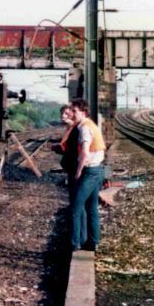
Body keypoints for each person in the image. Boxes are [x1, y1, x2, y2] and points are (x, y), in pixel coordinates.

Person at [70, 98, 106, 252]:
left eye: (74, 111)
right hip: (97, 170)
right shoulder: (91, 125)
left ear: (83, 112)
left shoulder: (84, 128)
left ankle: (75, 243)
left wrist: (78, 171)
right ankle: (94, 242)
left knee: (75, 208)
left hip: (89, 171)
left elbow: (84, 153)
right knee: (92, 208)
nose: (72, 114)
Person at [52, 104, 86, 239]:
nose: (63, 116)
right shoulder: (71, 129)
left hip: (76, 169)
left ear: (73, 113)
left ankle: (78, 239)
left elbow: (75, 150)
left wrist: (59, 149)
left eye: (66, 113)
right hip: (73, 168)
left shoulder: (77, 129)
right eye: (62, 114)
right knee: (76, 203)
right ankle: (79, 236)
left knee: (78, 204)